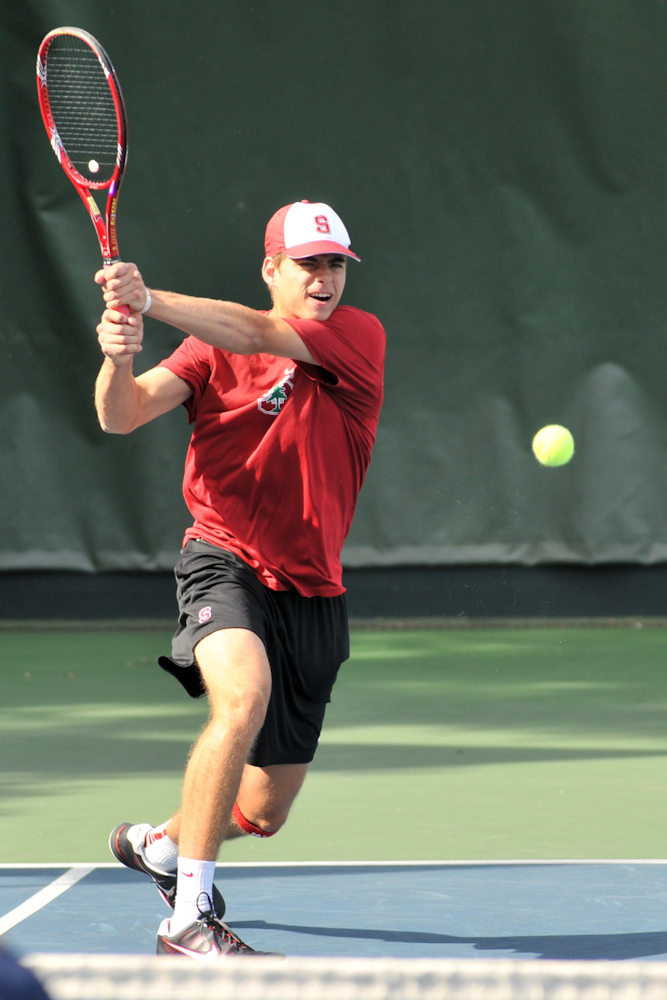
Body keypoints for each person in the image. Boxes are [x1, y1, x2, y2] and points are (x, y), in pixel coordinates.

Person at [95, 200, 385, 961]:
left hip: (314, 591)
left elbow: (257, 332)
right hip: (222, 560)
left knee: (263, 808)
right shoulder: (202, 352)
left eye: (333, 266)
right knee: (242, 698)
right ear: (271, 269)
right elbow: (120, 416)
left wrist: (147, 299)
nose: (323, 280)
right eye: (307, 264)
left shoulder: (356, 338)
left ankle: (158, 848)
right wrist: (119, 353)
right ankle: (188, 920)